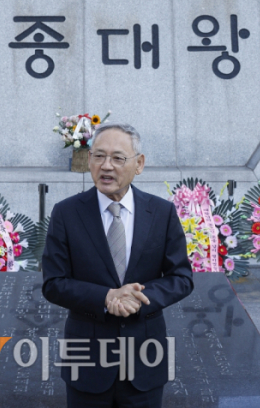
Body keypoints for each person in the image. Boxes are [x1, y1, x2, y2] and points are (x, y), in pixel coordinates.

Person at [42, 123, 193, 407]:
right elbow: (53, 283)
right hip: (86, 360)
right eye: (98, 156)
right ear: (89, 161)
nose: (106, 166)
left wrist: (138, 298)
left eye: (118, 158)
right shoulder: (66, 213)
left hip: (145, 358)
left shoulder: (161, 212)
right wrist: (106, 297)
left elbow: (181, 277)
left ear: (139, 164)